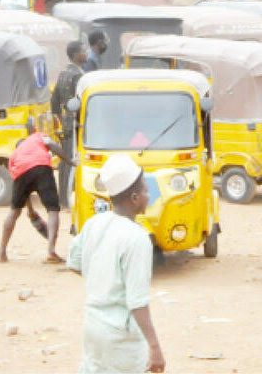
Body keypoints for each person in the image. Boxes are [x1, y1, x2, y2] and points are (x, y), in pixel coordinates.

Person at [67, 154, 165, 373]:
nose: (149, 195)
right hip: (120, 337)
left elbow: (74, 263)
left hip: (93, 326)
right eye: (146, 190)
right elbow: (137, 301)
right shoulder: (137, 238)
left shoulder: (94, 223)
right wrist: (154, 346)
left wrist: (102, 279)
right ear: (134, 197)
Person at [0, 125, 77, 264]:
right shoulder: (37, 136)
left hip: (21, 172)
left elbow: (22, 188)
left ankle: (1, 252)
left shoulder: (14, 156)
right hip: (41, 167)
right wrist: (70, 161)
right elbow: (51, 144)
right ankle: (51, 251)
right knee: (53, 210)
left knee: (14, 212)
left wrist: (31, 211)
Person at [51, 41, 87, 208]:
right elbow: (81, 103)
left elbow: (54, 101)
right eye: (83, 51)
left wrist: (60, 119)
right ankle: (68, 199)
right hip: (75, 125)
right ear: (75, 55)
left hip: (65, 124)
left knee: (64, 161)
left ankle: (62, 200)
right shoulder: (78, 76)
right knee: (72, 161)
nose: (85, 54)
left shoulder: (63, 73)